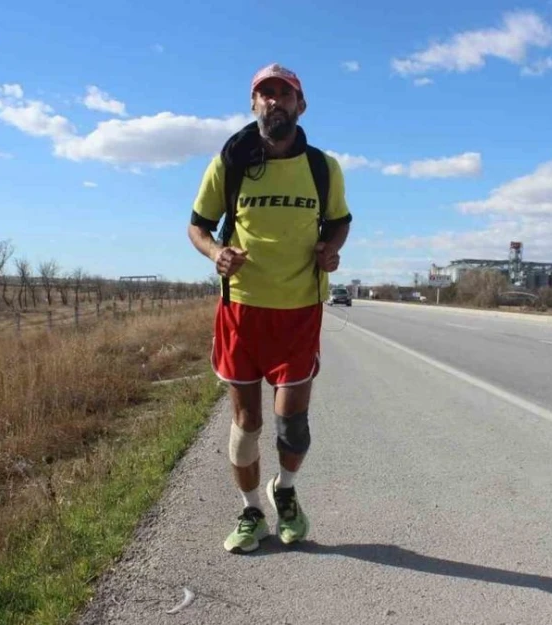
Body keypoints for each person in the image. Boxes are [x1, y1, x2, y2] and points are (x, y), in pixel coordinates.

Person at [186, 62, 352, 553]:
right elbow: (197, 226)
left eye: (284, 93)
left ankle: (286, 492)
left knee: (292, 426)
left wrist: (330, 248)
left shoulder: (323, 167)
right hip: (242, 311)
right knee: (246, 424)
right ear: (253, 103)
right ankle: (250, 511)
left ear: (300, 105)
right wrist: (217, 253)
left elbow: (339, 221)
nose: (274, 101)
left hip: (299, 310)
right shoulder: (229, 162)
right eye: (265, 94)